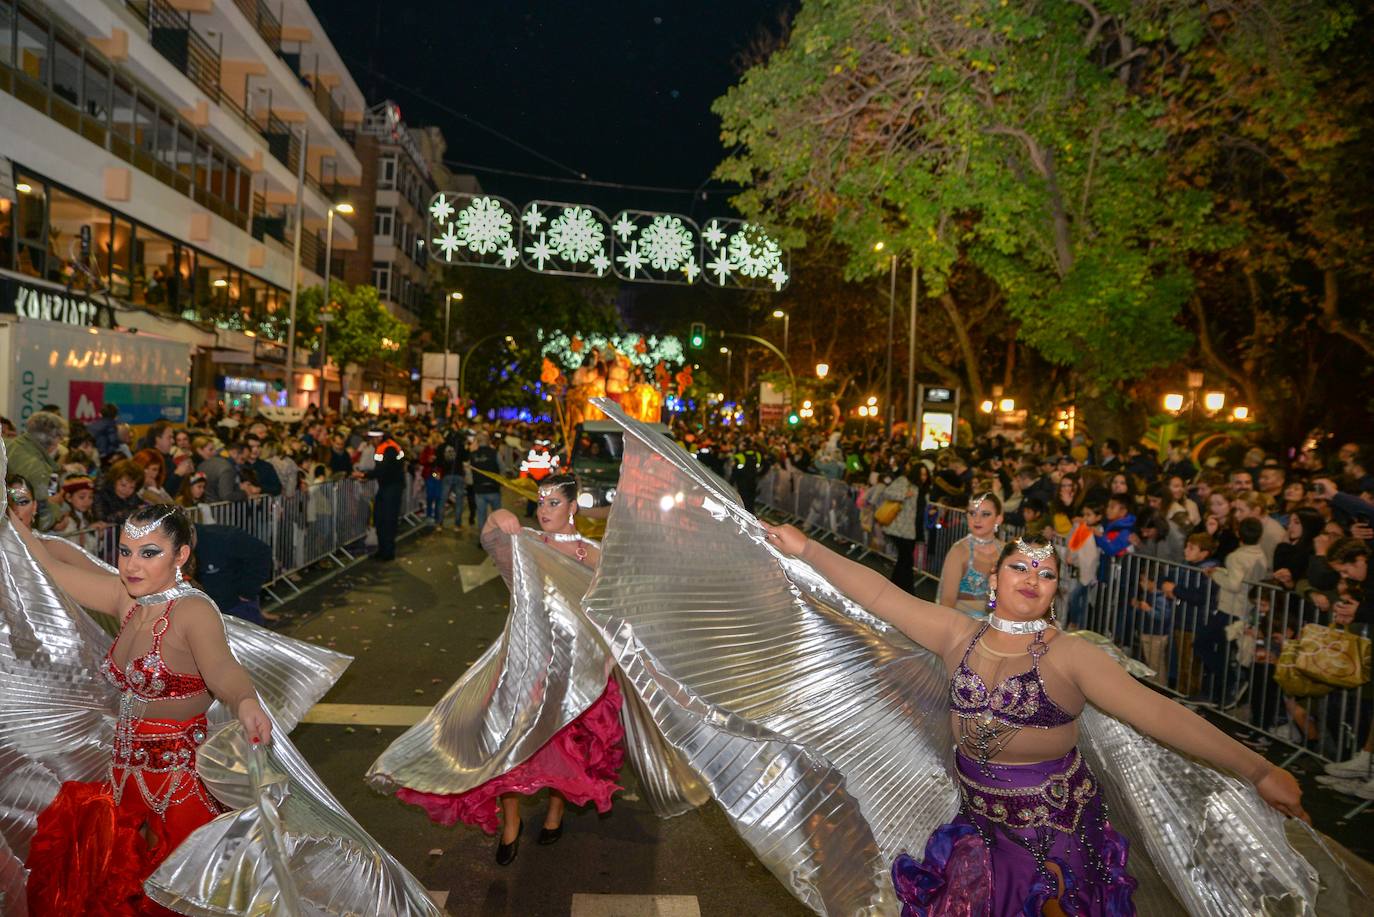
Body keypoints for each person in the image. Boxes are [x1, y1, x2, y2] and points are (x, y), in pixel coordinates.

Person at [760, 524, 1305, 914]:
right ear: (993, 580)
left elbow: (1162, 715)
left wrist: (1257, 771)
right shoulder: (958, 634)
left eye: (1045, 573)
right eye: (1019, 566)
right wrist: (807, 548)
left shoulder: (1072, 657)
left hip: (1054, 835)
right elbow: (880, 593)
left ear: (1054, 593)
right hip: (978, 822)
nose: (1032, 577)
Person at [10, 503, 271, 915]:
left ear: (180, 556)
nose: (132, 564)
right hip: (124, 782)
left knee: (178, 897)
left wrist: (244, 701)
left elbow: (222, 668)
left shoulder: (193, 610)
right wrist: (8, 517)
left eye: (149, 552)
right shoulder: (127, 598)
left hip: (179, 789)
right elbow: (48, 570)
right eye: (126, 551)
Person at [381, 475, 621, 866]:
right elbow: (491, 538)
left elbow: (612, 611)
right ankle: (512, 824)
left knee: (567, 747)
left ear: (573, 508)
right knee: (507, 742)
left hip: (572, 671)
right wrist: (499, 513)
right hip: (523, 663)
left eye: (554, 503)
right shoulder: (526, 544)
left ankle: (556, 814)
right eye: (541, 503)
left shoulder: (589, 553)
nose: (544, 510)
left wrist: (607, 659)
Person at [937, 492, 1004, 617]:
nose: (977, 520)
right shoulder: (959, 551)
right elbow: (947, 601)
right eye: (972, 513)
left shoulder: (1006, 552)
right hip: (963, 626)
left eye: (985, 514)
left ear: (999, 519)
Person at [870, 458, 927, 594]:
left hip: (912, 529)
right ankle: (906, 589)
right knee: (906, 559)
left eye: (925, 474)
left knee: (904, 559)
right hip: (899, 528)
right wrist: (903, 495)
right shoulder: (904, 482)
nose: (924, 477)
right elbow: (887, 493)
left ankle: (897, 587)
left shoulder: (921, 488)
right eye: (922, 474)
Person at [4, 411, 67, 530]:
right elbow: (41, 518)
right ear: (53, 442)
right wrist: (56, 509)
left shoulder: (6, 445)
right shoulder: (38, 469)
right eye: (60, 440)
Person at [356, 427, 405, 561]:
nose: (371, 442)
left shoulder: (386, 448)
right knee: (380, 518)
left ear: (378, 437)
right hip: (389, 487)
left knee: (387, 520)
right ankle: (383, 550)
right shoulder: (391, 446)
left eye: (372, 439)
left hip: (391, 488)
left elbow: (382, 469)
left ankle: (387, 552)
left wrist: (365, 475)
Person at [93, 459, 147, 525]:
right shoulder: (101, 494)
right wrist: (134, 513)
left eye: (132, 487)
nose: (127, 490)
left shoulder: (133, 496)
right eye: (123, 485)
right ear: (114, 480)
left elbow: (142, 506)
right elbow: (102, 518)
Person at [469, 432, 504, 530]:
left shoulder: (472, 455)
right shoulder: (495, 453)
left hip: (479, 489)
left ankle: (483, 539)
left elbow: (469, 471)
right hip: (493, 488)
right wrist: (502, 482)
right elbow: (502, 468)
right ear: (488, 441)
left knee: (481, 516)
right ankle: (497, 537)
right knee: (497, 515)